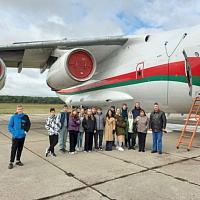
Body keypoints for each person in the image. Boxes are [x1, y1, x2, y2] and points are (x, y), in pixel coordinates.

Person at [8, 105, 31, 169]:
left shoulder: (25, 117)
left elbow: (28, 124)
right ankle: (11, 162)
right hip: (15, 136)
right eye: (18, 109)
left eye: (21, 109)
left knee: (20, 149)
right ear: (16, 110)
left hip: (22, 136)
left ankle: (18, 160)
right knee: (13, 149)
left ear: (22, 110)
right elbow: (10, 126)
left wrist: (25, 131)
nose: (20, 110)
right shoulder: (13, 117)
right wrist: (14, 132)